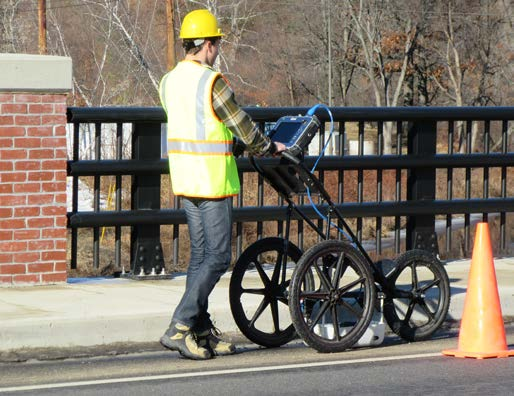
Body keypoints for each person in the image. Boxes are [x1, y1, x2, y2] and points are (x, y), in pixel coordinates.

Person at [158, 9, 286, 360]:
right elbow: (241, 124)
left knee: (200, 257)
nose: (218, 51)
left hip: (185, 178)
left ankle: (198, 331)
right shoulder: (211, 82)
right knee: (217, 257)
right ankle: (180, 326)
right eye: (217, 44)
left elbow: (199, 125)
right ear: (209, 45)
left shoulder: (168, 81)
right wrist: (268, 145)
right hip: (212, 179)